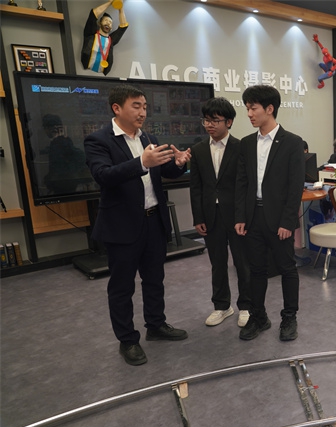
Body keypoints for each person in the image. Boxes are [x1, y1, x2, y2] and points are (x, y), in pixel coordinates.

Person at [84, 84, 192, 366]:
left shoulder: (149, 138)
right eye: (136, 106)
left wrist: (179, 163)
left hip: (153, 221)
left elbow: (165, 171)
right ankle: (128, 340)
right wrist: (141, 162)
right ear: (117, 108)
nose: (143, 112)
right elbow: (103, 175)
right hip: (122, 226)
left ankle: (156, 325)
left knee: (154, 279)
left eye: (145, 106)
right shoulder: (98, 140)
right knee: (122, 287)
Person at [234, 85, 305, 341]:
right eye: (247, 109)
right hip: (253, 217)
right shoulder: (246, 143)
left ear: (269, 108)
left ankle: (289, 317)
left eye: (253, 108)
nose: (249, 114)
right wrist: (240, 216)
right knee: (256, 270)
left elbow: (295, 186)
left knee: (287, 269)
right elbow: (242, 183)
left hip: (279, 220)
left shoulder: (293, 143)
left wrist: (288, 221)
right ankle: (259, 317)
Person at [190, 97, 252, 329]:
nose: (209, 125)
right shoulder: (198, 150)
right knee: (217, 263)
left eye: (215, 120)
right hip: (211, 215)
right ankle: (222, 306)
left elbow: (245, 186)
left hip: (236, 216)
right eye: (206, 120)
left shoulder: (241, 147)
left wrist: (243, 216)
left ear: (229, 122)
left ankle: (246, 306)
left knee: (242, 262)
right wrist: (198, 217)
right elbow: (196, 187)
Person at [81, 0, 128, 75]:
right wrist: (110, 2)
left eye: (110, 22)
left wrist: (120, 7)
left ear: (111, 28)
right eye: (106, 20)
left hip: (102, 72)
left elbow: (123, 26)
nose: (108, 23)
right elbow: (94, 14)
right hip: (86, 68)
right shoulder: (90, 34)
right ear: (99, 23)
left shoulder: (111, 40)